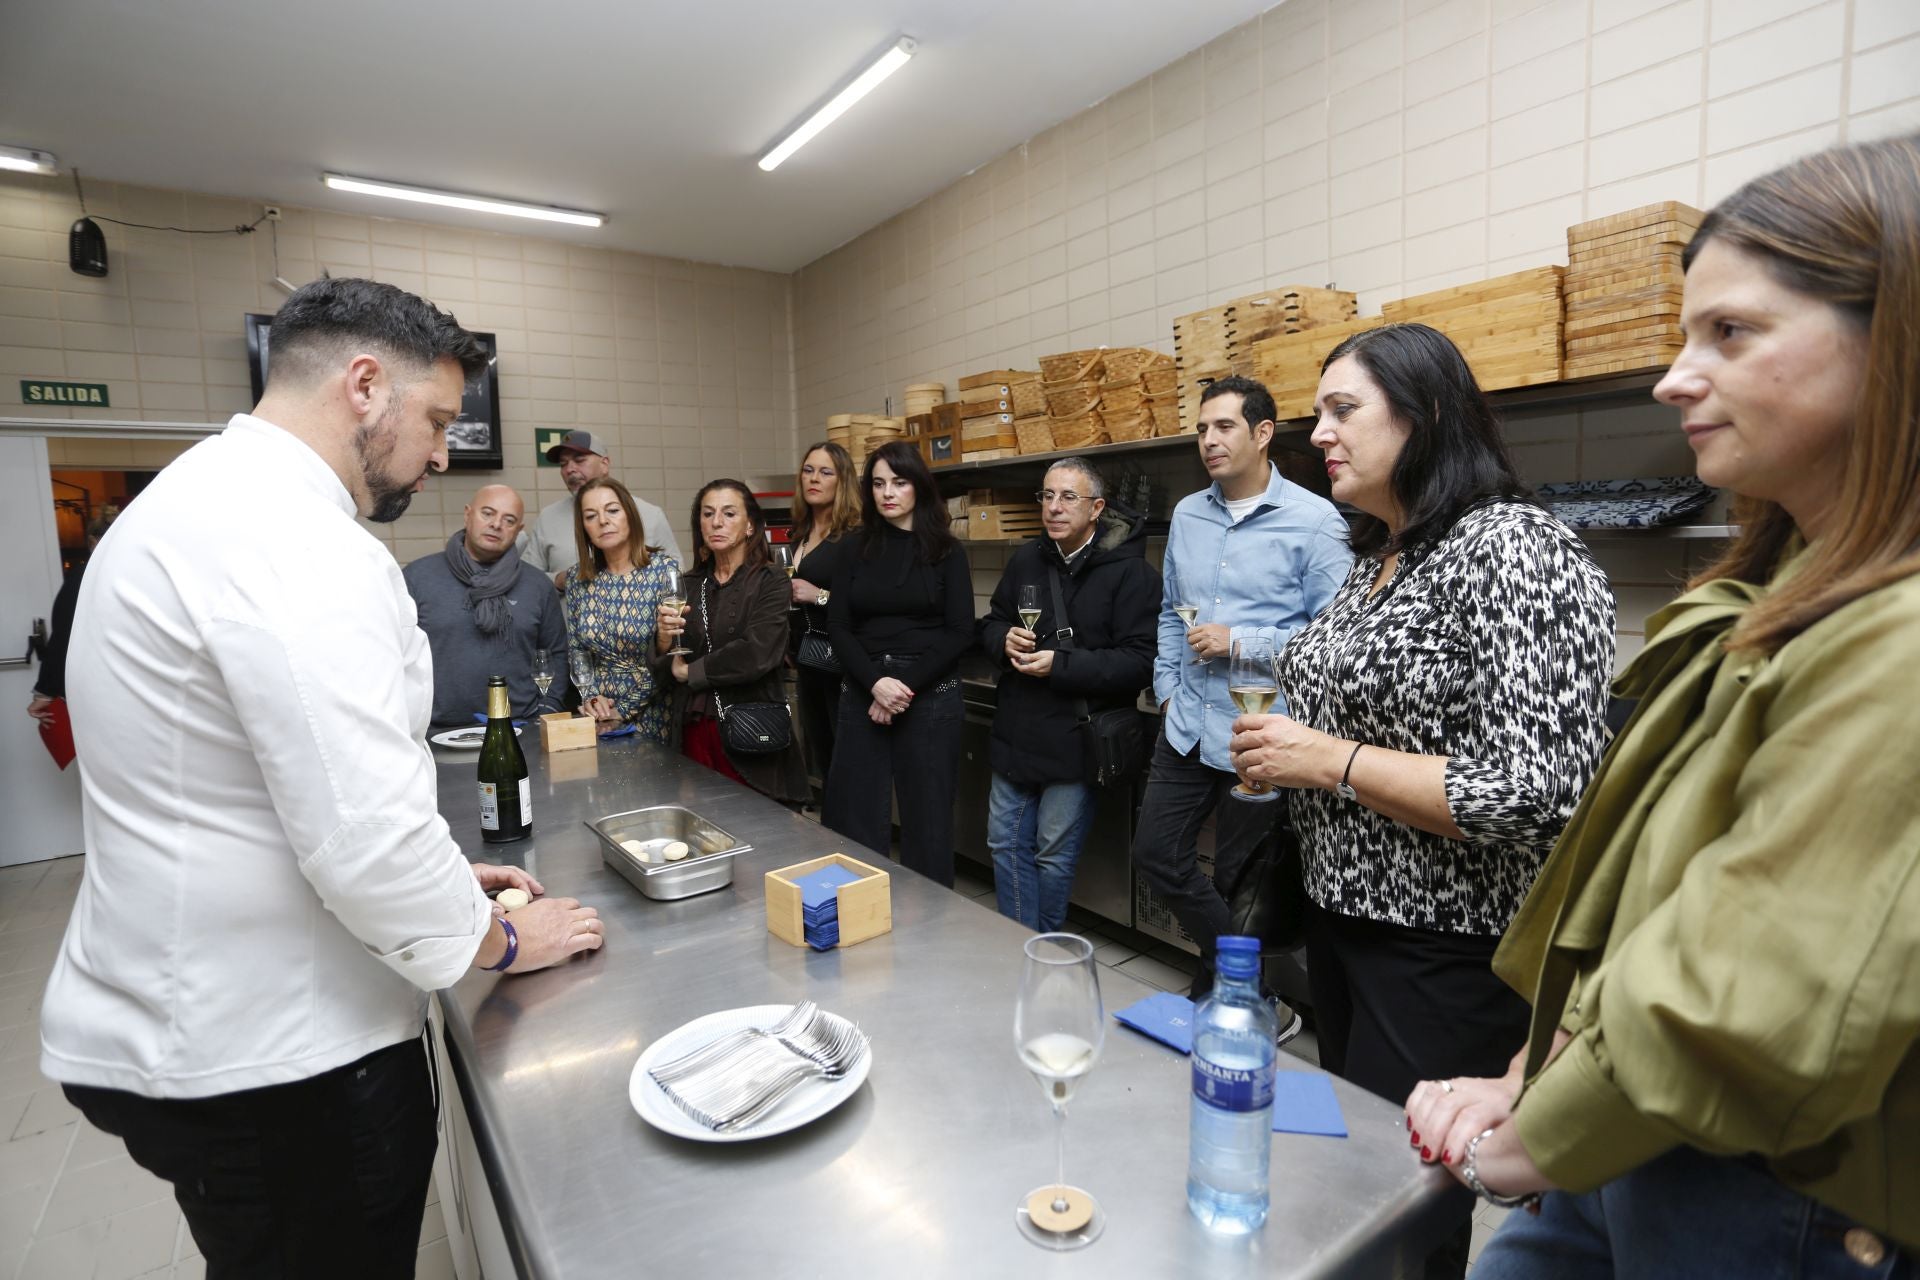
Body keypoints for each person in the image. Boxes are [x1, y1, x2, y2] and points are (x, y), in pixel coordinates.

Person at [1404, 136, 1920, 1278]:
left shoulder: (1899, 639)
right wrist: (1536, 1076)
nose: (1674, 376)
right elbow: (1651, 907)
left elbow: (1745, 1003)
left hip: (1772, 1195)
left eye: (1730, 333)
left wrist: (1524, 1143)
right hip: (1636, 1135)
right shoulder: (1780, 587)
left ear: (1894, 345)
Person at [39, 277, 603, 1276]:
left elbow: (264, 792)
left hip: (194, 1013)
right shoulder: (297, 541)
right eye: (435, 420)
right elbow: (365, 839)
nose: (439, 453)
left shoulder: (196, 498)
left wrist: (441, 882)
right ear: (363, 384)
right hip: (280, 1059)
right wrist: (504, 934)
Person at [1230, 322, 1615, 1279]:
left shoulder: (1514, 548)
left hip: (1442, 951)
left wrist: (1327, 760)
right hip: (1343, 925)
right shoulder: (1379, 554)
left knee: (1402, 1208)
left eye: (1343, 409)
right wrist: (1288, 758)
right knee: (1352, 1177)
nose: (1317, 432)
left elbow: (1538, 794)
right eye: (1317, 411)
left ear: (1428, 415)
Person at [1134, 375, 1351, 1015]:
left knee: (1237, 883)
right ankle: (1251, 989)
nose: (1209, 441)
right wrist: (1168, 688)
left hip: (1261, 734)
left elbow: (1339, 640)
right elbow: (1174, 614)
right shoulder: (1188, 515)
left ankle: (1224, 996)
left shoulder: (1316, 523)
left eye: (1224, 427)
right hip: (1187, 724)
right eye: (1202, 429)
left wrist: (1244, 640)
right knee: (1155, 855)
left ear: (1261, 434)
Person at [978, 459, 1159, 931]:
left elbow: (1140, 661)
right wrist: (1003, 640)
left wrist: (1060, 665)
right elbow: (993, 621)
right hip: (1018, 727)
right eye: (1047, 496)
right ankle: (1017, 945)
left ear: (1097, 508)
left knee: (1052, 856)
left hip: (1077, 736)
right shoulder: (1026, 560)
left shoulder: (1131, 574)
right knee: (1004, 843)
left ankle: (1046, 950)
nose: (1054, 508)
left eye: (1068, 498)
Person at [823, 441, 973, 886]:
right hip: (864, 688)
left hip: (929, 697)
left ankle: (929, 937)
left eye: (899, 482)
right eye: (878, 483)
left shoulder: (947, 550)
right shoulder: (852, 549)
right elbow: (839, 627)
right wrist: (876, 685)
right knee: (854, 822)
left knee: (928, 825)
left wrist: (899, 688)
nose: (888, 493)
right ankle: (855, 919)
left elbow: (960, 631)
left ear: (918, 488)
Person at [652, 479, 807, 802]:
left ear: (750, 525)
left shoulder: (771, 580)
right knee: (703, 828)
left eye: (728, 513)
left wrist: (690, 673)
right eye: (707, 514)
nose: (716, 522)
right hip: (694, 729)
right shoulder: (688, 585)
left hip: (751, 729)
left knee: (759, 829)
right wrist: (664, 642)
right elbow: (665, 669)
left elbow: (757, 653)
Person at [404, 482, 568, 730]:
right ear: (468, 514)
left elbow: (556, 653)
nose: (496, 524)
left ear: (518, 530)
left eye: (509, 520)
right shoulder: (418, 577)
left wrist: (548, 708)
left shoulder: (537, 586)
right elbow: (394, 656)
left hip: (520, 727)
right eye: (487, 513)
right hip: (435, 730)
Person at [563, 476, 677, 744]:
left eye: (612, 510)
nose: (603, 521)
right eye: (591, 516)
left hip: (654, 706)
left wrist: (623, 710)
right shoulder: (577, 579)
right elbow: (577, 651)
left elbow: (670, 657)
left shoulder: (663, 570)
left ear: (630, 515)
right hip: (598, 714)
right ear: (584, 528)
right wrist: (591, 698)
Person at [520, 429, 682, 590]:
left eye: (579, 460)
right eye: (563, 464)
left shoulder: (650, 514)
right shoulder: (548, 518)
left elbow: (676, 574)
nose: (570, 469)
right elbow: (526, 576)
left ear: (604, 464)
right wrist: (558, 580)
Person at [787, 441, 860, 790]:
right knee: (824, 759)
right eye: (808, 470)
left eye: (825, 472)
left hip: (841, 663)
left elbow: (867, 602)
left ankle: (853, 839)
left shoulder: (854, 537)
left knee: (847, 762)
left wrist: (819, 596)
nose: (814, 479)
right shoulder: (799, 532)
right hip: (807, 660)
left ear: (842, 480)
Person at [25, 507, 118, 738]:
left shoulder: (83, 580)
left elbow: (65, 636)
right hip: (143, 687)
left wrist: (45, 692)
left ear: (93, 542)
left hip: (98, 689)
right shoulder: (141, 578)